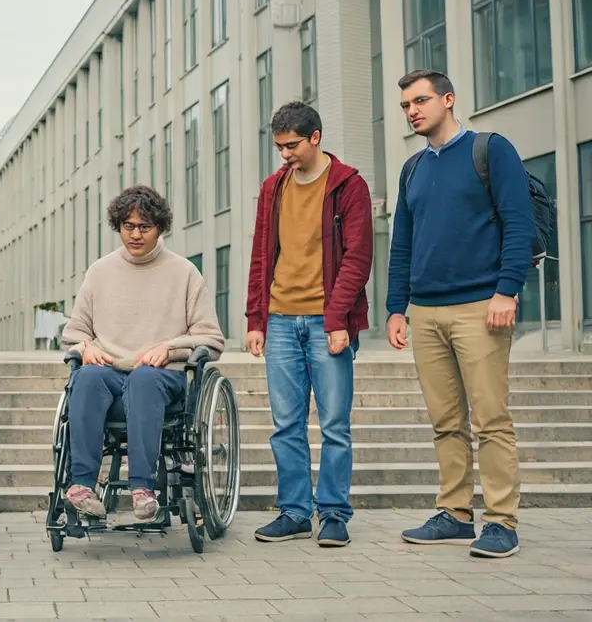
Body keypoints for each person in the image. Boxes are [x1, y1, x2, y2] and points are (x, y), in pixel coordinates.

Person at [387, 70, 534, 558]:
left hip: (480, 305)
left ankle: (501, 521)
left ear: (448, 100)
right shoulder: (411, 169)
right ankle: (454, 513)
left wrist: (506, 291)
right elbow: (402, 244)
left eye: (421, 100)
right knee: (445, 420)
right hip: (426, 311)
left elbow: (518, 222)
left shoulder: (491, 150)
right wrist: (395, 307)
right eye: (406, 104)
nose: (413, 110)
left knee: (491, 418)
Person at [244, 101, 372, 548]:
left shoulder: (348, 186)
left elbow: (357, 259)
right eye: (279, 146)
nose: (285, 154)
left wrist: (339, 320)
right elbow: (262, 254)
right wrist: (255, 318)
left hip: (327, 321)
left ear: (315, 137)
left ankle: (333, 513)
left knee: (335, 423)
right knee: (286, 424)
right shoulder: (273, 187)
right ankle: (295, 512)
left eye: (292, 145)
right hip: (279, 319)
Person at [59, 185, 226, 522]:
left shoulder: (184, 272)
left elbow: (212, 338)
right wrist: (85, 347)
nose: (135, 235)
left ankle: (143, 489)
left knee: (144, 379)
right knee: (87, 376)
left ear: (160, 228)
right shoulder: (100, 271)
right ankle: (81, 487)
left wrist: (170, 347)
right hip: (110, 376)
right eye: (128, 226)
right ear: (118, 226)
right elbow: (73, 334)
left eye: (144, 227)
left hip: (163, 381)